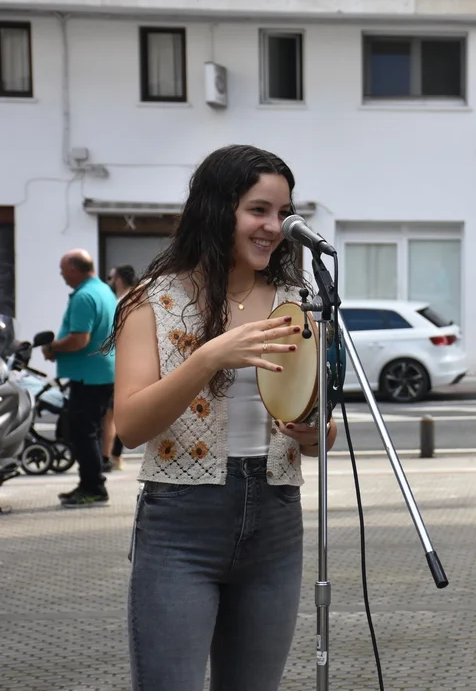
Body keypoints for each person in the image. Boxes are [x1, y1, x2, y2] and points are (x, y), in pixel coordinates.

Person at [105, 145, 338, 691]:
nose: (275, 227)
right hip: (181, 521)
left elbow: (318, 434)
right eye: (259, 210)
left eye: (283, 213)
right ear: (216, 209)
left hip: (276, 516)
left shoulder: (299, 301)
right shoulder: (151, 302)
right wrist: (208, 357)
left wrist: (313, 432)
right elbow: (131, 427)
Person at [45, 249, 118, 508]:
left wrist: (52, 348)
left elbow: (79, 339)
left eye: (63, 270)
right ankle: (90, 483)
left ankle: (93, 488)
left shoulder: (85, 296)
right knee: (90, 432)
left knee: (82, 433)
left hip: (89, 377)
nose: (62, 275)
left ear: (74, 270)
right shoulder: (104, 291)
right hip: (101, 373)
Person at [101, 265, 137, 472]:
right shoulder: (141, 298)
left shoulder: (118, 304)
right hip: (136, 364)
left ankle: (109, 456)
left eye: (110, 278)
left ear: (119, 280)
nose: (109, 282)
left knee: (111, 414)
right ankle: (116, 455)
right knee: (122, 411)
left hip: (120, 364)